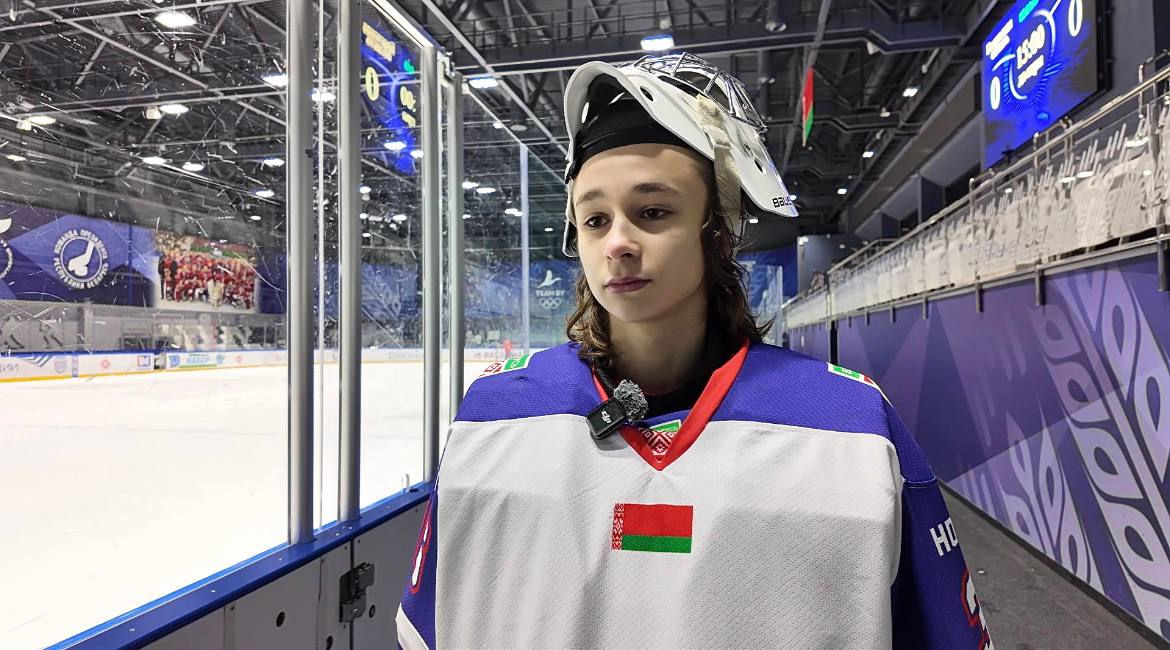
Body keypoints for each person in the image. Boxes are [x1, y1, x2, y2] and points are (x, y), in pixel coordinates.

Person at [397, 53, 991, 649]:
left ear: (719, 227)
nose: (618, 243)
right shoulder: (492, 412)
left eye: (653, 212)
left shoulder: (855, 423)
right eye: (595, 219)